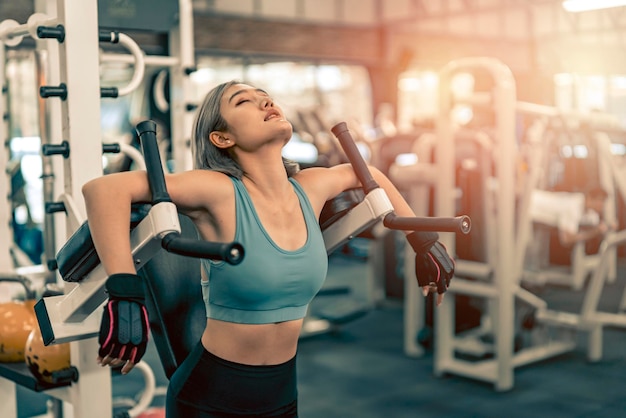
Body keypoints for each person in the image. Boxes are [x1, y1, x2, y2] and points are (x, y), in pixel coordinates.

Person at [82, 80, 454, 417]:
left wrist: (423, 241)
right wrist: (124, 290)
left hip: (281, 397)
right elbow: (104, 190)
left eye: (267, 98)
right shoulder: (219, 191)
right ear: (222, 138)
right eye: (244, 101)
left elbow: (373, 177)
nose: (265, 103)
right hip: (208, 399)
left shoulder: (310, 188)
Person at [529, 186, 613, 247]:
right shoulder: (573, 207)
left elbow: (596, 222)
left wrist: (609, 226)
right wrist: (594, 232)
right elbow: (566, 239)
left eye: (603, 202)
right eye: (600, 201)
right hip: (528, 204)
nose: (602, 205)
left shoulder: (589, 210)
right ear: (590, 198)